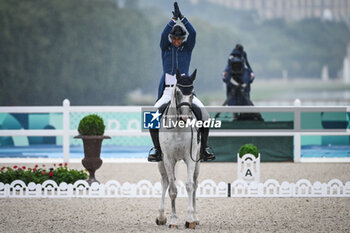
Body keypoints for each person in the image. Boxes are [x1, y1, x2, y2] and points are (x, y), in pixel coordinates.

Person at [148, 2, 215, 162]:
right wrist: (173, 19)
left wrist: (182, 18)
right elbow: (163, 35)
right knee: (151, 118)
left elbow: (193, 33)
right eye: (174, 38)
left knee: (204, 115)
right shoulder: (166, 47)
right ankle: (157, 150)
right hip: (168, 90)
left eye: (179, 39)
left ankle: (204, 148)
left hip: (185, 90)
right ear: (171, 39)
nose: (177, 41)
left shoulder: (187, 48)